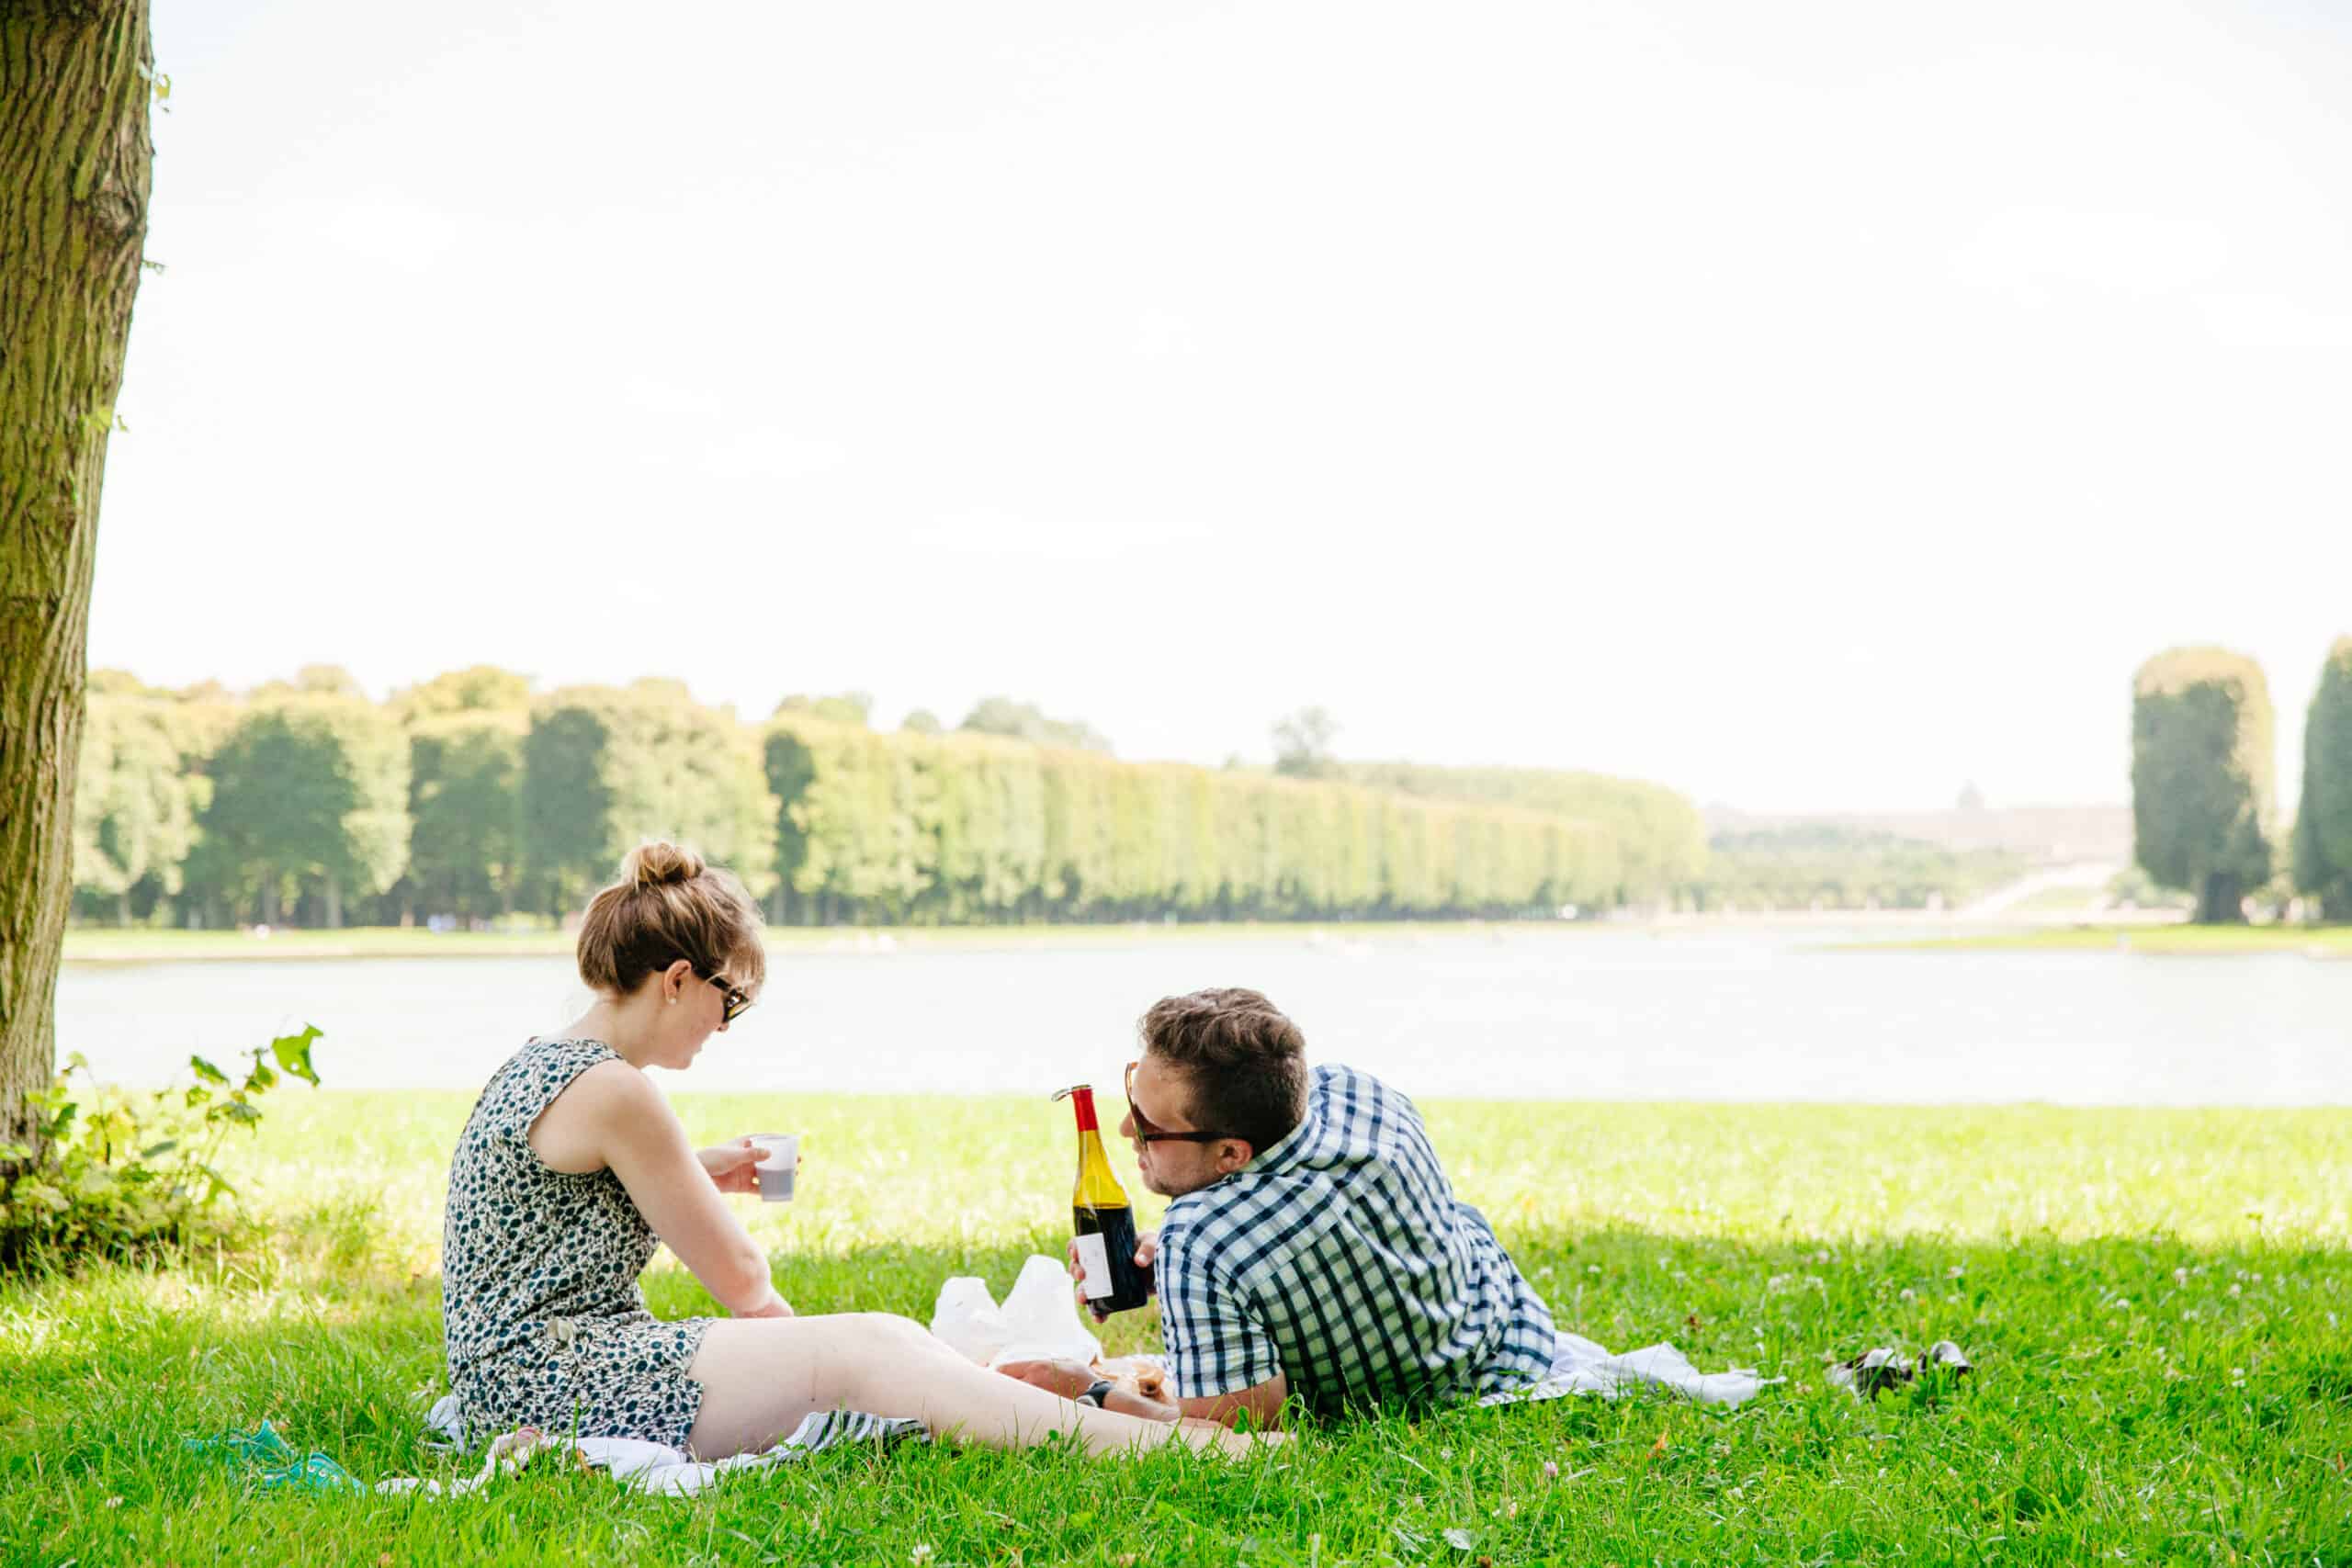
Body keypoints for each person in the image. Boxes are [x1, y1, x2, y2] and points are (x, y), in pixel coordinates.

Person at [439, 841, 1264, 1461]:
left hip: (513, 1378)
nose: (724, 1026)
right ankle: (1182, 1446)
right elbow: (743, 1281)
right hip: (554, 1383)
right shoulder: (619, 1088)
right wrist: (823, 1362)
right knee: (870, 1346)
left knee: (887, 1344)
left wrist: (707, 1165)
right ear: (680, 978)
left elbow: (567, 1198)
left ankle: (1083, 1410)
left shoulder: (547, 1061)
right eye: (731, 1002)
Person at [1000, 987, 1556, 1428]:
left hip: (1423, 1403)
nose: (1126, 1130)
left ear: (1230, 1153)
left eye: (1148, 1127)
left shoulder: (1201, 1239)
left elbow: (1228, 1437)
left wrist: (1086, 1392)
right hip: (1506, 1330)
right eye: (1131, 1097)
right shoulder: (1359, 1092)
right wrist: (1175, 1270)